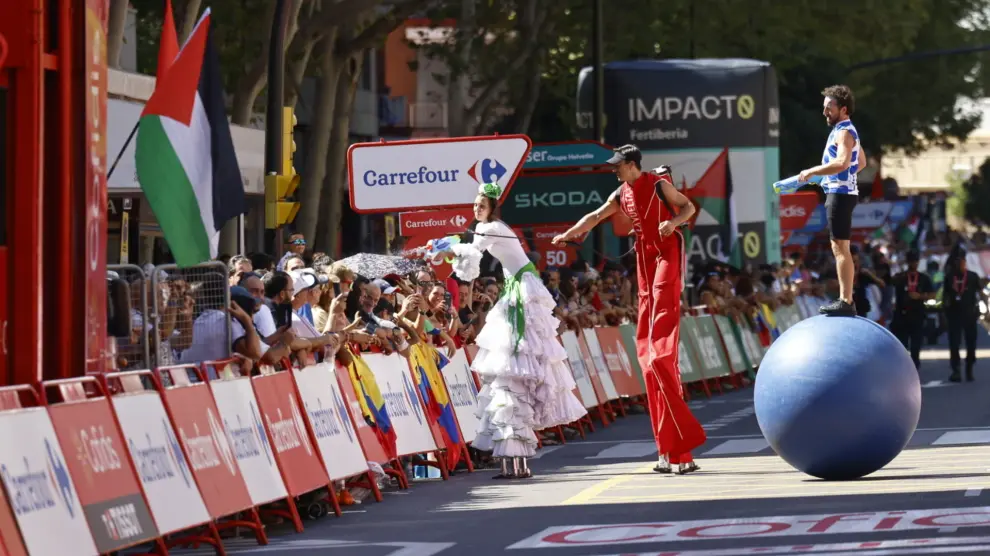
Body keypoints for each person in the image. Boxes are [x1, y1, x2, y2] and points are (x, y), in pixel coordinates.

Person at [552, 144, 705, 474]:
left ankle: (661, 354)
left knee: (659, 356)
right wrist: (569, 233)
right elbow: (594, 217)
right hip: (645, 262)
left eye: (619, 165)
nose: (614, 169)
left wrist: (673, 223)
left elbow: (689, 207)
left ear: (634, 165)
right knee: (649, 364)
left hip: (667, 254)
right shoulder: (621, 193)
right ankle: (668, 452)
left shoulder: (657, 184)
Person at [429, 182, 587, 479]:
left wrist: (445, 248)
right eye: (475, 205)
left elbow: (472, 257)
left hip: (521, 289)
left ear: (492, 208)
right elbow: (469, 263)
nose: (476, 210)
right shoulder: (486, 227)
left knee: (513, 358)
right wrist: (446, 250)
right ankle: (515, 459)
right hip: (516, 287)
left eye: (481, 206)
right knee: (509, 366)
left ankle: (516, 458)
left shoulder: (491, 227)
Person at [795, 85, 864, 316]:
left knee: (840, 247)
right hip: (842, 192)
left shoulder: (844, 131)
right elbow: (859, 162)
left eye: (829, 107)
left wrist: (815, 172)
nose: (824, 112)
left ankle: (846, 300)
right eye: (824, 107)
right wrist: (835, 177)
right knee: (839, 246)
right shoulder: (846, 130)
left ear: (843, 109)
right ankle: (846, 299)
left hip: (841, 194)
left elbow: (844, 162)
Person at [889, 250, 934, 370]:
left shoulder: (924, 278)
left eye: (915, 261)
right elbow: (888, 282)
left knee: (916, 345)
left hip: (917, 315)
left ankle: (915, 367)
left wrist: (920, 296)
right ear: (907, 262)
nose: (913, 264)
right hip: (901, 315)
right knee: (902, 346)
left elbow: (933, 294)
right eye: (910, 261)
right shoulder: (900, 277)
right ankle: (903, 368)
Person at [943, 257, 980, 382]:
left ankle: (969, 367)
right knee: (954, 343)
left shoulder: (973, 276)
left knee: (971, 342)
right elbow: (945, 295)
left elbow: (980, 293)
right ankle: (956, 369)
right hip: (954, 315)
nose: (960, 264)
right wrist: (945, 310)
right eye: (957, 262)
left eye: (962, 262)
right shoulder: (949, 277)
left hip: (969, 315)